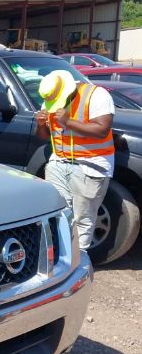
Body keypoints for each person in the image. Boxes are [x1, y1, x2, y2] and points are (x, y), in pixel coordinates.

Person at [36, 69, 115, 251]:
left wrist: (68, 121)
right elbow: (43, 136)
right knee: (57, 214)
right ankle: (60, 260)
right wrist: (41, 125)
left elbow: (102, 130)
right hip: (59, 163)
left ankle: (79, 262)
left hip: (89, 166)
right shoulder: (50, 98)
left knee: (83, 219)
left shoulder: (97, 95)